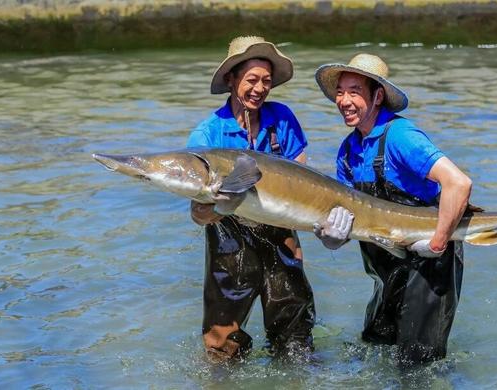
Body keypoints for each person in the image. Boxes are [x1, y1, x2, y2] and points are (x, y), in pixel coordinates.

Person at [313, 53, 472, 365]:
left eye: (354, 91)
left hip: (429, 265)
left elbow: (459, 183)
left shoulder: (400, 136)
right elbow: (349, 217)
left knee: (417, 366)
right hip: (386, 269)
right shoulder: (347, 151)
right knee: (376, 346)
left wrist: (438, 243)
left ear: (378, 96)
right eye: (340, 92)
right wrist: (332, 237)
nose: (344, 100)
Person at [187, 36, 315, 361]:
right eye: (252, 80)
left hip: (280, 237)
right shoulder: (207, 135)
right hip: (229, 246)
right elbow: (197, 214)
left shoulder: (282, 118)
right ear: (231, 79)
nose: (260, 89)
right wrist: (213, 208)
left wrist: (316, 225)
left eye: (267, 81)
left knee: (295, 340)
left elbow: (303, 179)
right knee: (223, 348)